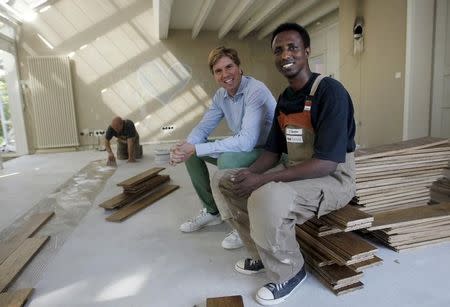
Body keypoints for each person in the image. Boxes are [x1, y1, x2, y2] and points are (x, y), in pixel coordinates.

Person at [213, 23, 357, 305]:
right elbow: (272, 151)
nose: (285, 54)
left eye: (292, 47)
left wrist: (263, 180)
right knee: (225, 180)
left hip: (332, 177)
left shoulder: (330, 92)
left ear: (306, 51)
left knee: (267, 195)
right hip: (297, 169)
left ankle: (290, 271)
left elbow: (326, 164)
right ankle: (261, 255)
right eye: (278, 50)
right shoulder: (285, 99)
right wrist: (248, 174)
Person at [170, 46, 276, 250]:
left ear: (239, 67)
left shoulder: (256, 90)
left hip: (269, 151)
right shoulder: (221, 96)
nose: (225, 74)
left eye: (229, 67)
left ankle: (241, 223)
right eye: (218, 71)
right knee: (193, 153)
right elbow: (204, 126)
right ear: (214, 75)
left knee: (226, 160)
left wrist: (196, 148)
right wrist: (186, 147)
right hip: (246, 148)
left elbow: (246, 142)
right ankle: (211, 212)